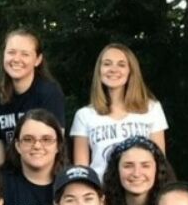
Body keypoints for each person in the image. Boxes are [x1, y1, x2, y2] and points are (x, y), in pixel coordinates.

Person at [71, 44, 168, 177]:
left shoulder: (152, 109)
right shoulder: (84, 115)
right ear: (99, 70)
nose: (113, 69)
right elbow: (81, 172)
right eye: (107, 64)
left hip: (140, 187)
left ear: (131, 71)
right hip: (102, 192)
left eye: (121, 65)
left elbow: (159, 162)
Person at [0, 29, 65, 165]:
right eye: (11, 52)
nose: (16, 59)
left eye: (25, 54)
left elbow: (53, 146)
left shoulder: (49, 93)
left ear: (38, 60)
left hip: (43, 175)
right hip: (10, 178)